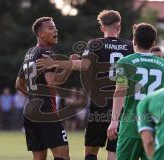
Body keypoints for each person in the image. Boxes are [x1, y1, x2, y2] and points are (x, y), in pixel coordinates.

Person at [36, 10, 134, 160]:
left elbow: (84, 65)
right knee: (114, 151)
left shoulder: (96, 44)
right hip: (121, 104)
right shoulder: (130, 46)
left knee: (91, 152)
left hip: (99, 103)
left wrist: (56, 62)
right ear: (119, 27)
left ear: (102, 28)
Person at [107, 23, 164, 160]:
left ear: (134, 41)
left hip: (130, 125)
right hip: (155, 127)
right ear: (153, 43)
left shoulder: (123, 62)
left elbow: (120, 90)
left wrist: (114, 121)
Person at [15, 17, 74, 160]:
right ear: (40, 34)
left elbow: (18, 84)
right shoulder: (46, 53)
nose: (55, 30)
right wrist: (70, 66)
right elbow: (53, 83)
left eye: (55, 27)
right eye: (51, 28)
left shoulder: (30, 53)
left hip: (30, 111)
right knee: (63, 155)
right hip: (46, 111)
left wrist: (33, 95)